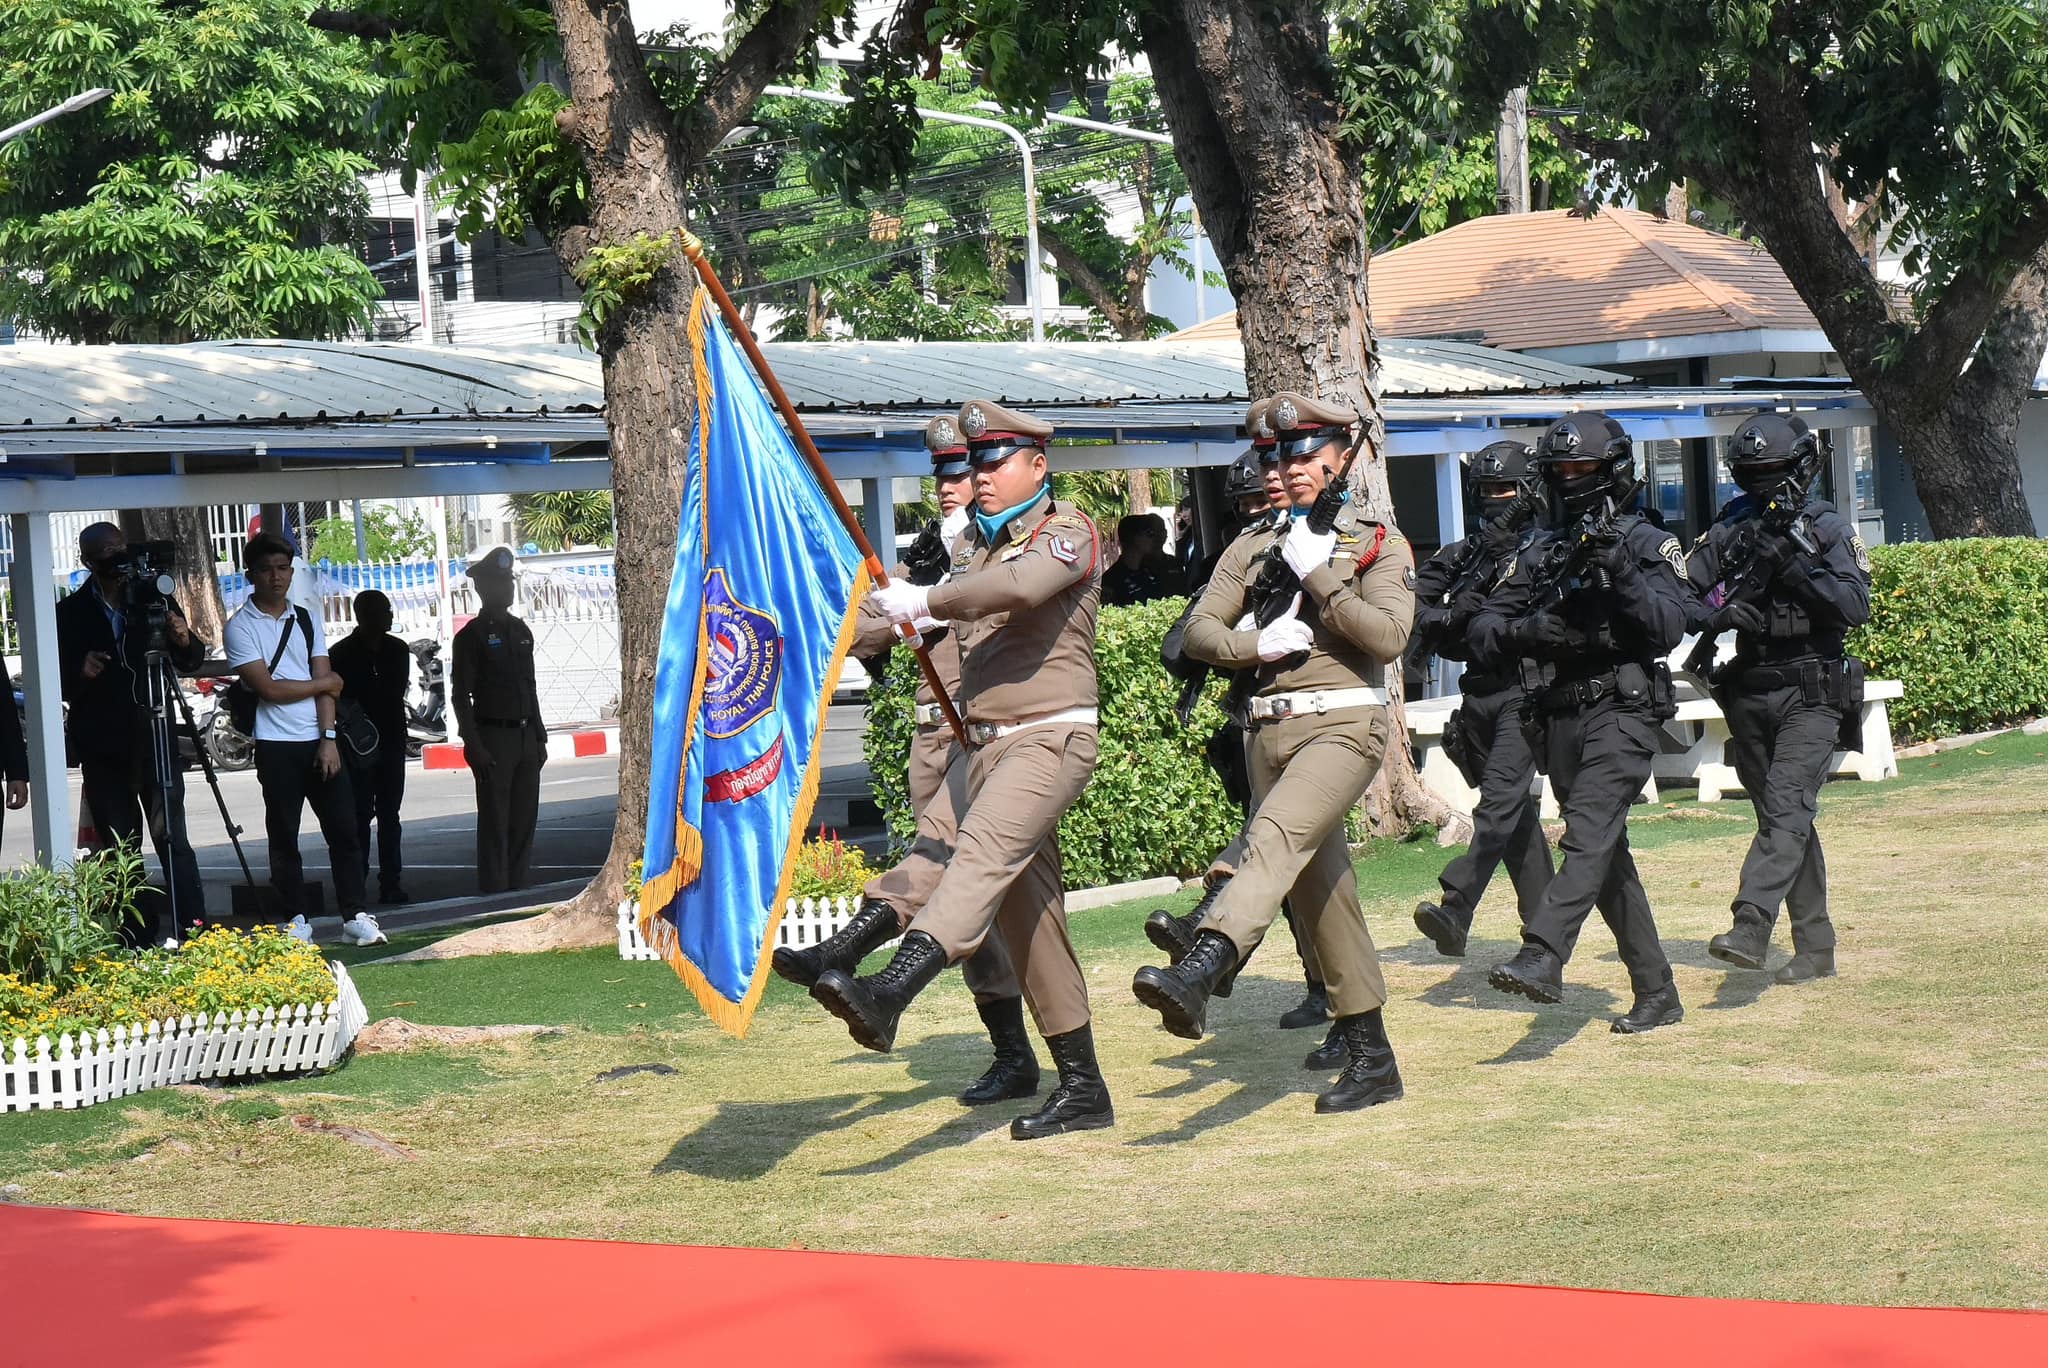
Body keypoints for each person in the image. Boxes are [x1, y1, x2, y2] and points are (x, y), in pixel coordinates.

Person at [816, 398, 1110, 1141]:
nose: (980, 475)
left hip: (1046, 739)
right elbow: (928, 613)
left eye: (995, 462)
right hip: (981, 748)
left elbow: (1019, 589)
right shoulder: (974, 551)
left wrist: (931, 596)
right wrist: (911, 604)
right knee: (1024, 915)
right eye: (974, 464)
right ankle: (1083, 1086)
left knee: (973, 858)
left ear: (1037, 466)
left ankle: (892, 990)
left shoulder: (1067, 531)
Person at [1133, 390, 1416, 1114]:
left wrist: (1320, 575)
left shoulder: (1375, 540)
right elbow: (1198, 631)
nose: (1285, 470)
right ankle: (1372, 1058)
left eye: (1301, 455)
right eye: (1273, 458)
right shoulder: (1250, 545)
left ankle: (1204, 965)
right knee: (1323, 895)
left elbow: (1388, 638)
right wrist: (1254, 644)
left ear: (1339, 460)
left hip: (1342, 724)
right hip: (1264, 731)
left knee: (1272, 841)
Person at [773, 415, 1042, 1105]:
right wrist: (903, 598)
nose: (952, 485)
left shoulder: (999, 552)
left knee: (955, 880)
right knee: (957, 893)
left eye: (963, 472)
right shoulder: (927, 555)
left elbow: (1007, 608)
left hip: (978, 737)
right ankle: (1012, 1055)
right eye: (943, 474)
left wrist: (936, 600)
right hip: (931, 743)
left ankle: (850, 952)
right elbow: (861, 632)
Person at [1469, 413, 1690, 1033]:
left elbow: (1671, 627)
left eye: (1582, 467)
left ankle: (1544, 951)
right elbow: (1480, 625)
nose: (1570, 478)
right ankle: (1658, 991)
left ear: (1613, 469)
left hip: (1624, 709)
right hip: (1559, 715)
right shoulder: (1541, 548)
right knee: (1606, 857)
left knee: (1588, 833)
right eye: (1559, 469)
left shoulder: (1647, 542)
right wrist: (1526, 630)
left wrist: (1623, 573)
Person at [1147, 400, 1333, 1038]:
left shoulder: (1325, 541)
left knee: (1271, 847)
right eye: (1249, 501)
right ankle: (1315, 986)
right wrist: (1247, 636)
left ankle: (1211, 942)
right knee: (1295, 867)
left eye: (1271, 486)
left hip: (1317, 729)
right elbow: (1182, 644)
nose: (1265, 500)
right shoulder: (1240, 556)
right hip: (1249, 724)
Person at [1686, 414, 1871, 984]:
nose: (1760, 482)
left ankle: (1751, 922)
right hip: (1750, 690)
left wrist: (1794, 565)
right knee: (1783, 821)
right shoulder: (1731, 527)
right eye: (1751, 473)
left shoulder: (1827, 528)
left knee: (1787, 808)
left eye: (1771, 470)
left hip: (1812, 691)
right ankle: (1816, 947)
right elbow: (1681, 591)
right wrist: (1716, 616)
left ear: (1800, 468)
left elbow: (1854, 607)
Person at [1408, 442, 1554, 958]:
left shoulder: (1547, 553)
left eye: (1506, 489)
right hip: (1477, 696)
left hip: (1526, 692)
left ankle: (1457, 903)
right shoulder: (1462, 555)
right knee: (1514, 820)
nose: (1496, 499)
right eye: (1487, 490)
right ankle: (1546, 933)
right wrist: (1454, 614)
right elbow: (1413, 610)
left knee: (1497, 804)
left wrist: (1473, 618)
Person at [224, 532, 379, 944]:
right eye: (266, 570)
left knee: (345, 830)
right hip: (275, 744)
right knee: (284, 836)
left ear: (292, 572)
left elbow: (327, 684)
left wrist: (328, 738)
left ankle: (354, 915)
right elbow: (269, 689)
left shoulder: (306, 618)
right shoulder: (240, 627)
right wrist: (323, 683)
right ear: (251, 575)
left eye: (283, 568)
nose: (276, 577)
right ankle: (295, 919)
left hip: (318, 738)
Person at [55, 523, 205, 942]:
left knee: (171, 834)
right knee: (122, 845)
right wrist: (79, 672)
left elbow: (191, 659)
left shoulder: (153, 596)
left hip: (154, 735)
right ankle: (137, 935)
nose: (119, 557)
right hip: (104, 745)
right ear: (88, 561)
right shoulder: (68, 613)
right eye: (108, 552)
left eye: (121, 547)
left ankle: (193, 928)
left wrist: (183, 637)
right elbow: (51, 681)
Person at [452, 547, 547, 894]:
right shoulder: (471, 637)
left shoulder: (520, 630)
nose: (507, 587)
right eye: (499, 581)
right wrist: (473, 744)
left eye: (509, 580)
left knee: (524, 817)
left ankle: (518, 888)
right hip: (494, 736)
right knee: (495, 819)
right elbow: (461, 696)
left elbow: (530, 686)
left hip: (524, 735)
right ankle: (495, 890)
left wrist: (539, 736)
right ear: (482, 587)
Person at [329, 589, 412, 905]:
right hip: (357, 747)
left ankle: (391, 881)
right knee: (360, 814)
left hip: (391, 741)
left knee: (390, 814)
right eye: (382, 611)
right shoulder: (341, 654)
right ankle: (357, 883)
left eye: (389, 610)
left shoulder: (397, 649)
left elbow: (393, 691)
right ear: (363, 616)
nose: (389, 616)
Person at [1102, 512, 1182, 606]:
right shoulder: (1111, 580)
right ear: (1134, 538)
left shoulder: (1150, 572)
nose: (1154, 539)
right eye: (1149, 533)